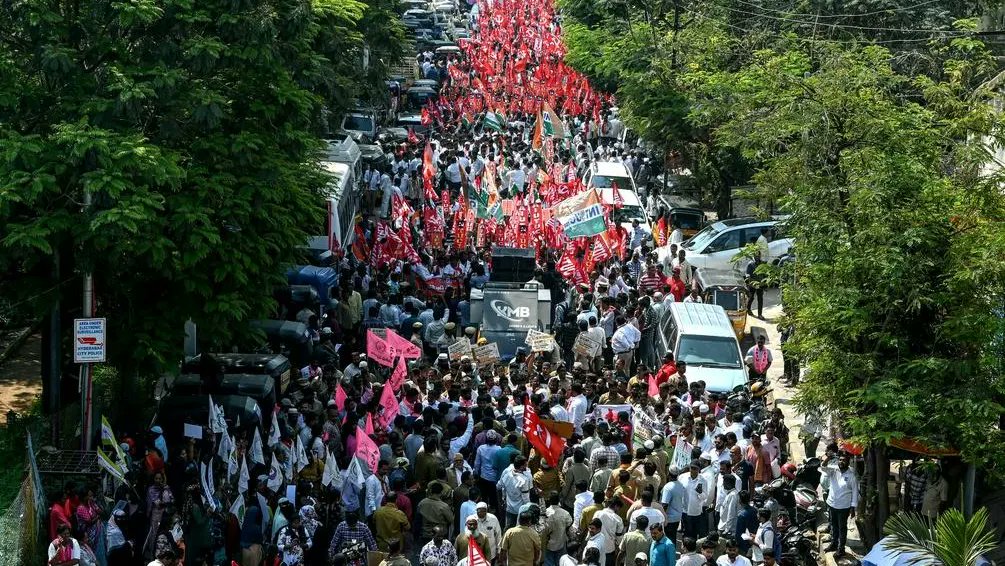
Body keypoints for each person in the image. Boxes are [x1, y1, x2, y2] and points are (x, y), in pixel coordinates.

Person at [821, 453, 858, 558]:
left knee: (842, 527)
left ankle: (841, 549)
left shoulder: (851, 476)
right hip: (832, 504)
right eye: (840, 460)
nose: (841, 462)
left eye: (844, 460)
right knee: (833, 525)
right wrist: (828, 458)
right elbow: (823, 467)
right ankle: (833, 544)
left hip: (844, 507)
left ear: (848, 462)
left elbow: (855, 492)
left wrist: (853, 507)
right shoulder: (833, 470)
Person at [743, 255, 764, 319]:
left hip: (760, 284)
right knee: (751, 297)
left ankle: (760, 314)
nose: (757, 257)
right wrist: (750, 281)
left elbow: (765, 273)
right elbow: (747, 274)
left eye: (758, 256)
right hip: (752, 284)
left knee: (760, 299)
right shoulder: (750, 264)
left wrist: (765, 282)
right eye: (756, 256)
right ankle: (748, 309)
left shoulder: (762, 264)